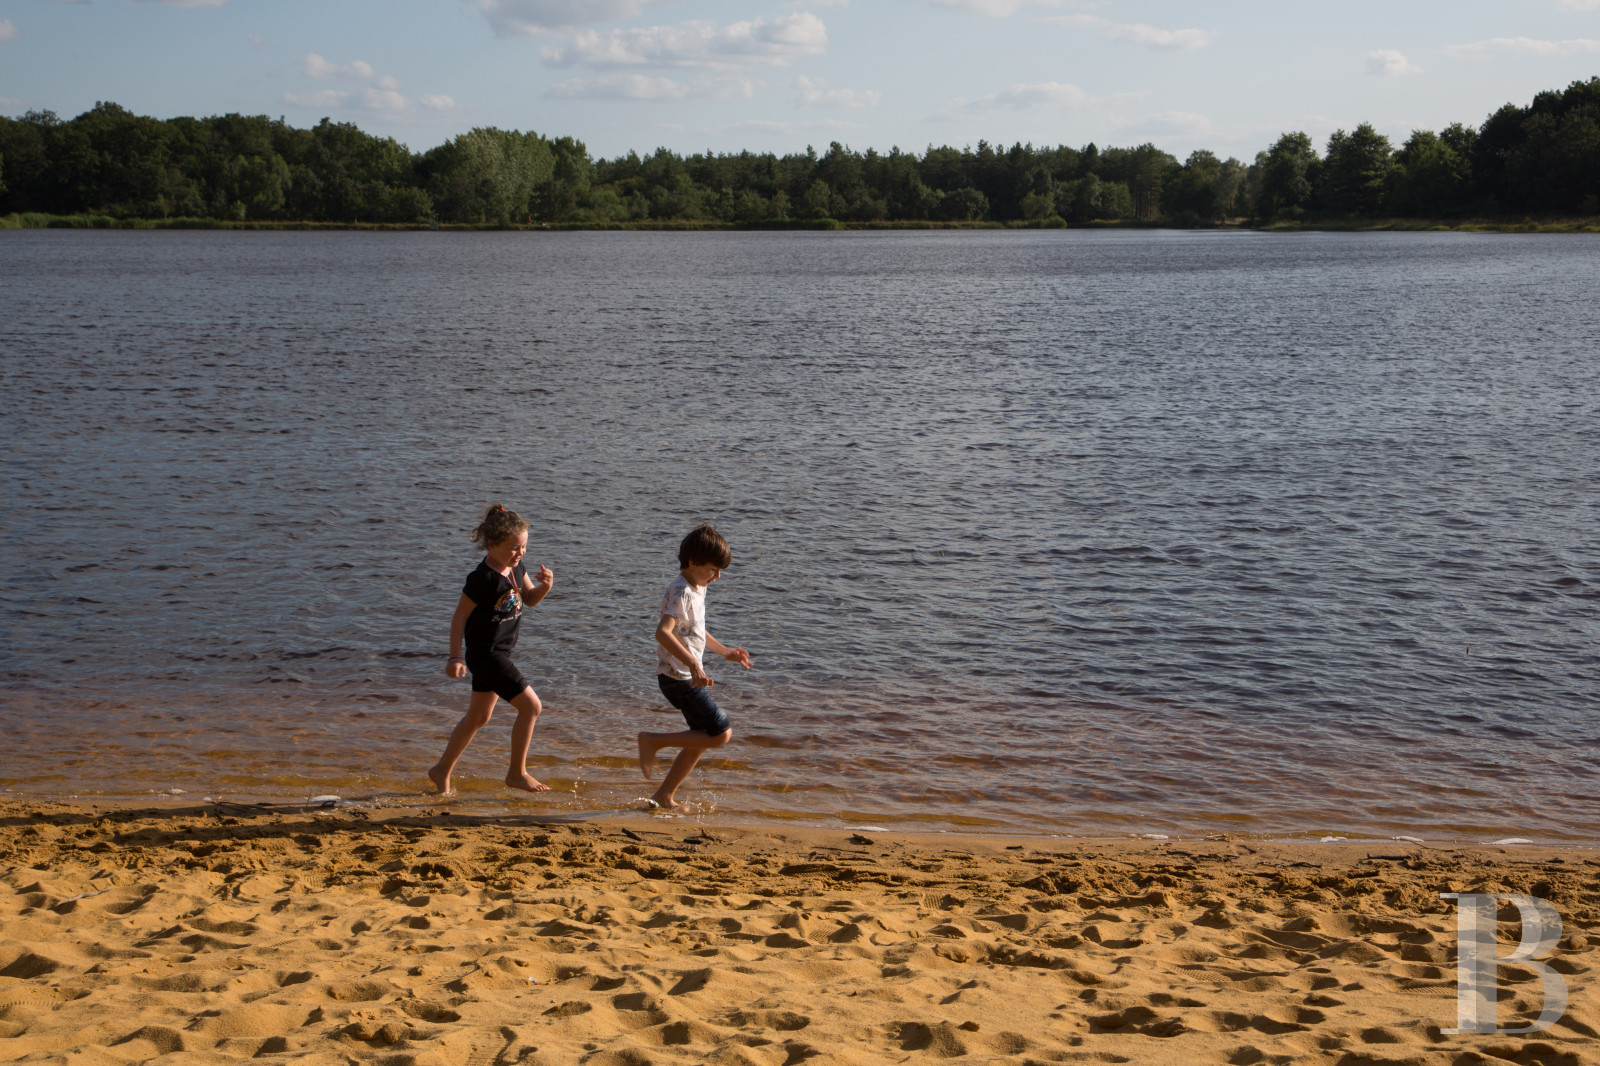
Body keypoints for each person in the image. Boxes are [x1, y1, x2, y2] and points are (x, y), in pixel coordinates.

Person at [428, 504, 554, 796]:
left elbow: (530, 598)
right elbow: (459, 617)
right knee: (531, 706)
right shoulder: (482, 578)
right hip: (486, 655)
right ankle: (517, 773)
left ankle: (441, 770)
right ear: (492, 544)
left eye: (523, 546)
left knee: (478, 717)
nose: (520, 553)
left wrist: (545, 587)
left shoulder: (516, 567)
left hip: (500, 653)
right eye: (513, 548)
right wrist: (455, 656)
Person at [637, 523, 752, 809]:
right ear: (692, 562)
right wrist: (693, 664)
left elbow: (696, 631)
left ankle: (664, 795)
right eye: (713, 569)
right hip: (678, 678)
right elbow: (662, 632)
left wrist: (724, 651)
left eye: (720, 570)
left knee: (701, 738)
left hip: (682, 675)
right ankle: (653, 741)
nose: (717, 576)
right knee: (721, 732)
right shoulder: (681, 592)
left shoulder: (696, 588)